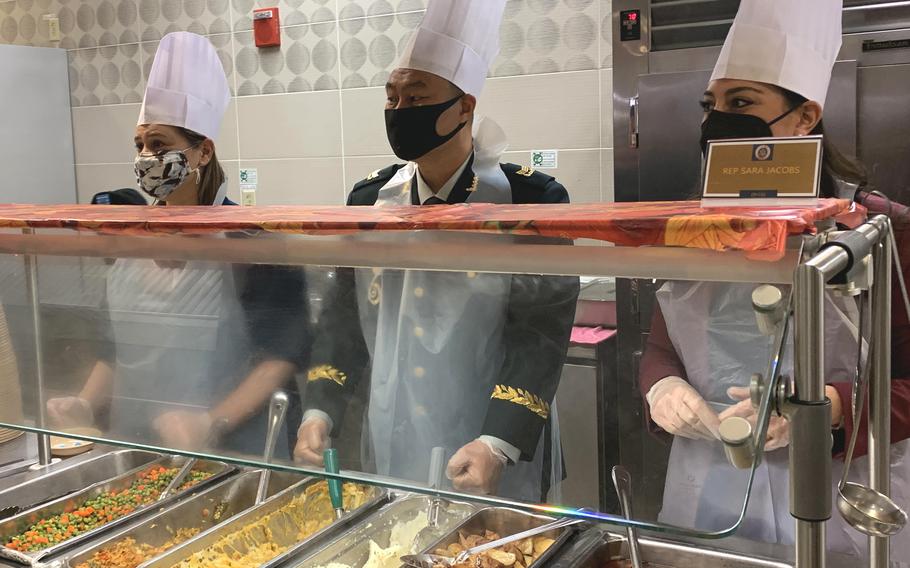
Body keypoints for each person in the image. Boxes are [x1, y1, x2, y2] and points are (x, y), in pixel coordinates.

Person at [639, 0, 910, 563]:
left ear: (805, 116)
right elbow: (663, 348)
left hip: (842, 494)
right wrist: (662, 389)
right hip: (712, 487)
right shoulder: (697, 230)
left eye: (742, 103)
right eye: (711, 105)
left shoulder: (880, 231)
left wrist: (830, 407)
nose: (718, 120)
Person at [293, 0, 579, 502]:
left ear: (465, 107)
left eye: (416, 96)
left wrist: (497, 442)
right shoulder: (369, 200)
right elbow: (342, 317)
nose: (401, 110)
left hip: (490, 439)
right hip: (394, 425)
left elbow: (540, 335)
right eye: (392, 97)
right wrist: (319, 410)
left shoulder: (530, 199)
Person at [46, 32, 309, 457]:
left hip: (233, 451)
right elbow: (114, 348)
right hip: (140, 446)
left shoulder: (249, 243)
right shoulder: (130, 241)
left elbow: (280, 356)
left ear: (203, 152)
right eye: (140, 145)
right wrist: (84, 403)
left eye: (159, 145)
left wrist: (211, 421)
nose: (146, 157)